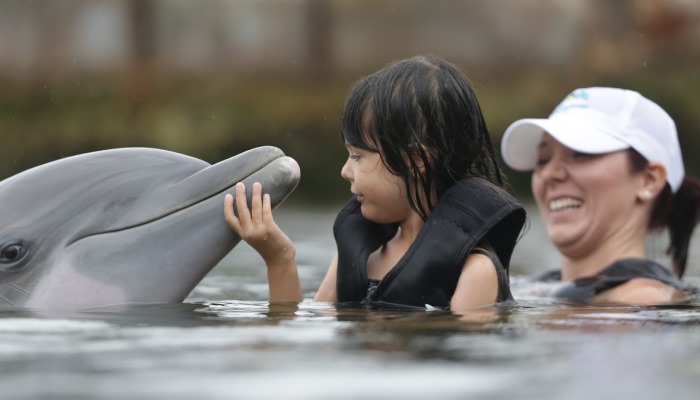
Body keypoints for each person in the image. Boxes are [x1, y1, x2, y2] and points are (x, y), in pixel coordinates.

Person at [224, 55, 526, 312]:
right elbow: (296, 344)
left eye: (357, 156)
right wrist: (280, 260)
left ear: (415, 161)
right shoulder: (356, 253)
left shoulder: (474, 272)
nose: (345, 170)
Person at [501, 86, 700, 305]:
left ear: (648, 180)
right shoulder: (531, 287)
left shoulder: (642, 299)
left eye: (582, 154)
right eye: (543, 159)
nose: (549, 173)